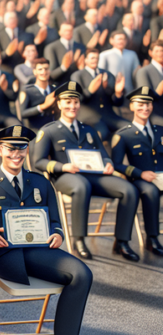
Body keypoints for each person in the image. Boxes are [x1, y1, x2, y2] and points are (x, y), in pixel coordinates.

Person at [0, 126, 97, 335]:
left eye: (22, 147)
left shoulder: (40, 182)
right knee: (78, 275)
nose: (17, 153)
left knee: (82, 274)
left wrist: (58, 234)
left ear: (28, 149)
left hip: (40, 250)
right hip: (7, 255)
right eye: (11, 148)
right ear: (1, 149)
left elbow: (55, 221)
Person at [31, 82, 140, 261]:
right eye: (67, 102)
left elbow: (104, 155)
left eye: (75, 102)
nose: (72, 106)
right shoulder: (48, 130)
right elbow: (38, 161)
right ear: (59, 104)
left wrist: (108, 164)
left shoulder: (88, 129)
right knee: (81, 186)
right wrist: (62, 167)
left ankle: (122, 242)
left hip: (94, 175)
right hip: (66, 176)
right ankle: (79, 240)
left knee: (129, 190)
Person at [109, 87, 163, 256]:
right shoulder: (124, 134)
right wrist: (140, 174)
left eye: (148, 104)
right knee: (151, 191)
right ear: (131, 106)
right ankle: (152, 238)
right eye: (140, 104)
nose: (145, 108)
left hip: (161, 175)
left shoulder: (160, 131)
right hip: (139, 178)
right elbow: (116, 164)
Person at [73, 47, 126, 143]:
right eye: (92, 58)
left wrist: (118, 93)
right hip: (89, 116)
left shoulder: (107, 74)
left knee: (130, 129)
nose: (95, 60)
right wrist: (89, 90)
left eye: (97, 58)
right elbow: (77, 99)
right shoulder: (78, 75)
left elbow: (117, 103)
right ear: (85, 59)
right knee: (102, 132)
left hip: (109, 115)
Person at [19, 58, 58, 130]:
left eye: (46, 69)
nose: (44, 72)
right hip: (36, 129)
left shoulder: (54, 89)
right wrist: (43, 106)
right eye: (40, 69)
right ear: (34, 72)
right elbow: (23, 113)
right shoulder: (27, 90)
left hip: (53, 127)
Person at [133, 40, 163, 126]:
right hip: (154, 115)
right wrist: (158, 91)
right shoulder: (144, 71)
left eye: (162, 51)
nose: (160, 54)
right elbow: (144, 97)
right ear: (150, 52)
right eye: (157, 51)